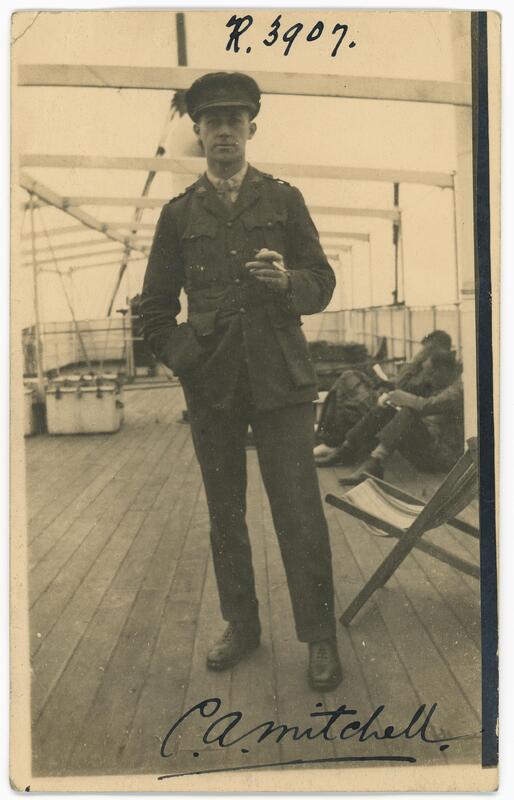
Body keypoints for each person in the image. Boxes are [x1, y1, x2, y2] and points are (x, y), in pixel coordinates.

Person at [140, 72, 342, 691]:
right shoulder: (177, 215)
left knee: (299, 511)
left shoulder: (284, 200)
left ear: (251, 128)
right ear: (198, 133)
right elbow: (153, 309)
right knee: (225, 513)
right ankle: (242, 625)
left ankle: (320, 636)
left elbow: (322, 281)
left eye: (234, 120)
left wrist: (288, 283)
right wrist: (186, 356)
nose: (224, 131)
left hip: (281, 378)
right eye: (212, 121)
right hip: (213, 386)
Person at [314, 329, 454, 466]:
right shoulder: (434, 370)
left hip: (403, 420)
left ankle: (332, 442)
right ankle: (334, 442)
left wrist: (416, 360)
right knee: (351, 383)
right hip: (400, 412)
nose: (422, 353)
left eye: (425, 350)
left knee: (349, 380)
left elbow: (401, 385)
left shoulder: (433, 372)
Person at [337, 349, 464, 482]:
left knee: (408, 412)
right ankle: (347, 448)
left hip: (443, 458)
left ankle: (374, 461)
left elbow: (426, 406)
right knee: (388, 409)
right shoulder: (445, 382)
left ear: (444, 370)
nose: (427, 379)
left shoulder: (458, 390)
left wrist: (395, 395)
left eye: (430, 373)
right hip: (431, 447)